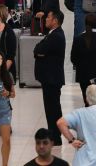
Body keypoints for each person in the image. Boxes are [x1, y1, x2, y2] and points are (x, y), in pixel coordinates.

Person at [34, 10, 66, 146]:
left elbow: (39, 50)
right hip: (49, 78)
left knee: (53, 108)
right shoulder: (52, 34)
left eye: (48, 17)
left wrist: (39, 52)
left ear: (55, 21)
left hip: (52, 78)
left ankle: (55, 136)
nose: (46, 19)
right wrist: (39, 52)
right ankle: (53, 134)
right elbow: (37, 49)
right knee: (51, 108)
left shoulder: (56, 36)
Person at [70, 13, 96, 105]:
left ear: (85, 23)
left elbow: (73, 58)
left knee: (87, 100)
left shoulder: (78, 39)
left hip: (83, 75)